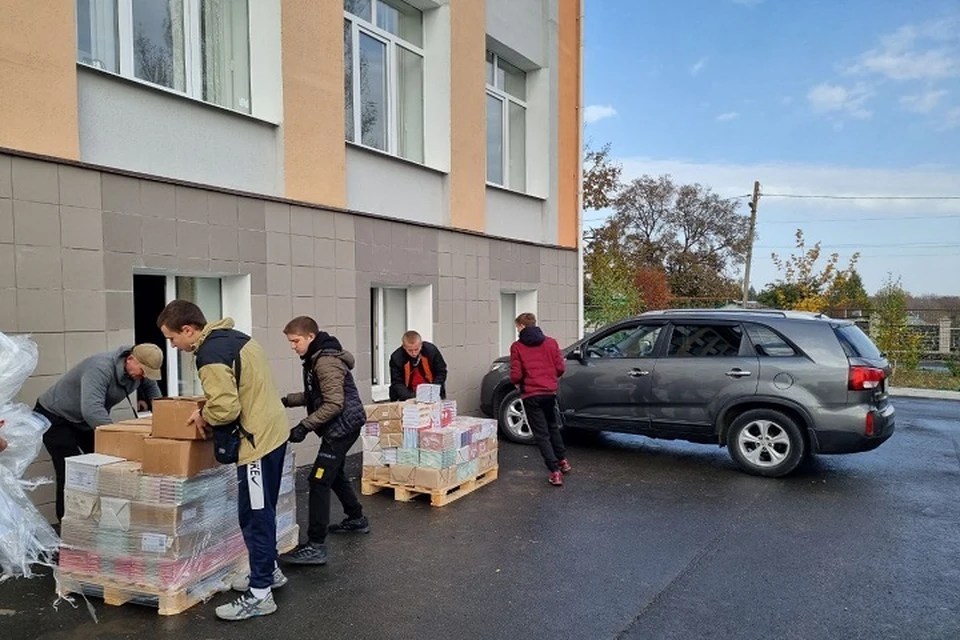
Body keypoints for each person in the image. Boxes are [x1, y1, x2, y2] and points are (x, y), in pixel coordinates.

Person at [157, 300, 289, 621]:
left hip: (256, 444)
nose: (173, 346)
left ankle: (260, 594)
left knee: (256, 516)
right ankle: (268, 570)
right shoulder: (236, 338)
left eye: (173, 338)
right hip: (273, 432)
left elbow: (226, 408)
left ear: (188, 330)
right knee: (261, 510)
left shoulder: (210, 354)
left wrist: (203, 413)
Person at [35, 344, 163, 521]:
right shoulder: (100, 368)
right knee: (72, 470)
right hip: (56, 416)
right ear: (131, 359)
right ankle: (68, 526)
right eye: (142, 371)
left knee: (105, 464)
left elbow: (154, 394)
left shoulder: (141, 372)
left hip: (83, 420)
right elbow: (92, 410)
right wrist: (119, 439)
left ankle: (99, 519)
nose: (143, 376)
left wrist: (165, 421)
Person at [278, 316, 368, 567]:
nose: (292, 346)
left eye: (295, 341)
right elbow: (314, 394)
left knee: (318, 479)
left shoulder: (325, 361)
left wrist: (303, 427)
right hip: (339, 426)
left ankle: (316, 545)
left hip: (342, 428)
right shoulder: (315, 358)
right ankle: (356, 518)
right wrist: (284, 401)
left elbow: (334, 404)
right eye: (290, 342)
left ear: (310, 337)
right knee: (334, 472)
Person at [508, 313, 571, 486]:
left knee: (541, 434)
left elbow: (516, 374)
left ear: (521, 326)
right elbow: (560, 367)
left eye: (517, 327)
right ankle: (562, 461)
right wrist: (550, 379)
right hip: (549, 392)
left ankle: (554, 471)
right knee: (552, 427)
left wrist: (516, 382)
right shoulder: (551, 342)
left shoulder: (517, 347)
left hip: (530, 394)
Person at [388, 331, 448, 401]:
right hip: (407, 395)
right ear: (404, 347)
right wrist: (411, 397)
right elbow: (397, 382)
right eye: (410, 350)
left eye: (416, 349)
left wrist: (433, 390)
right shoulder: (396, 358)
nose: (414, 353)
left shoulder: (431, 351)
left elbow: (441, 371)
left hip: (431, 393)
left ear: (421, 345)